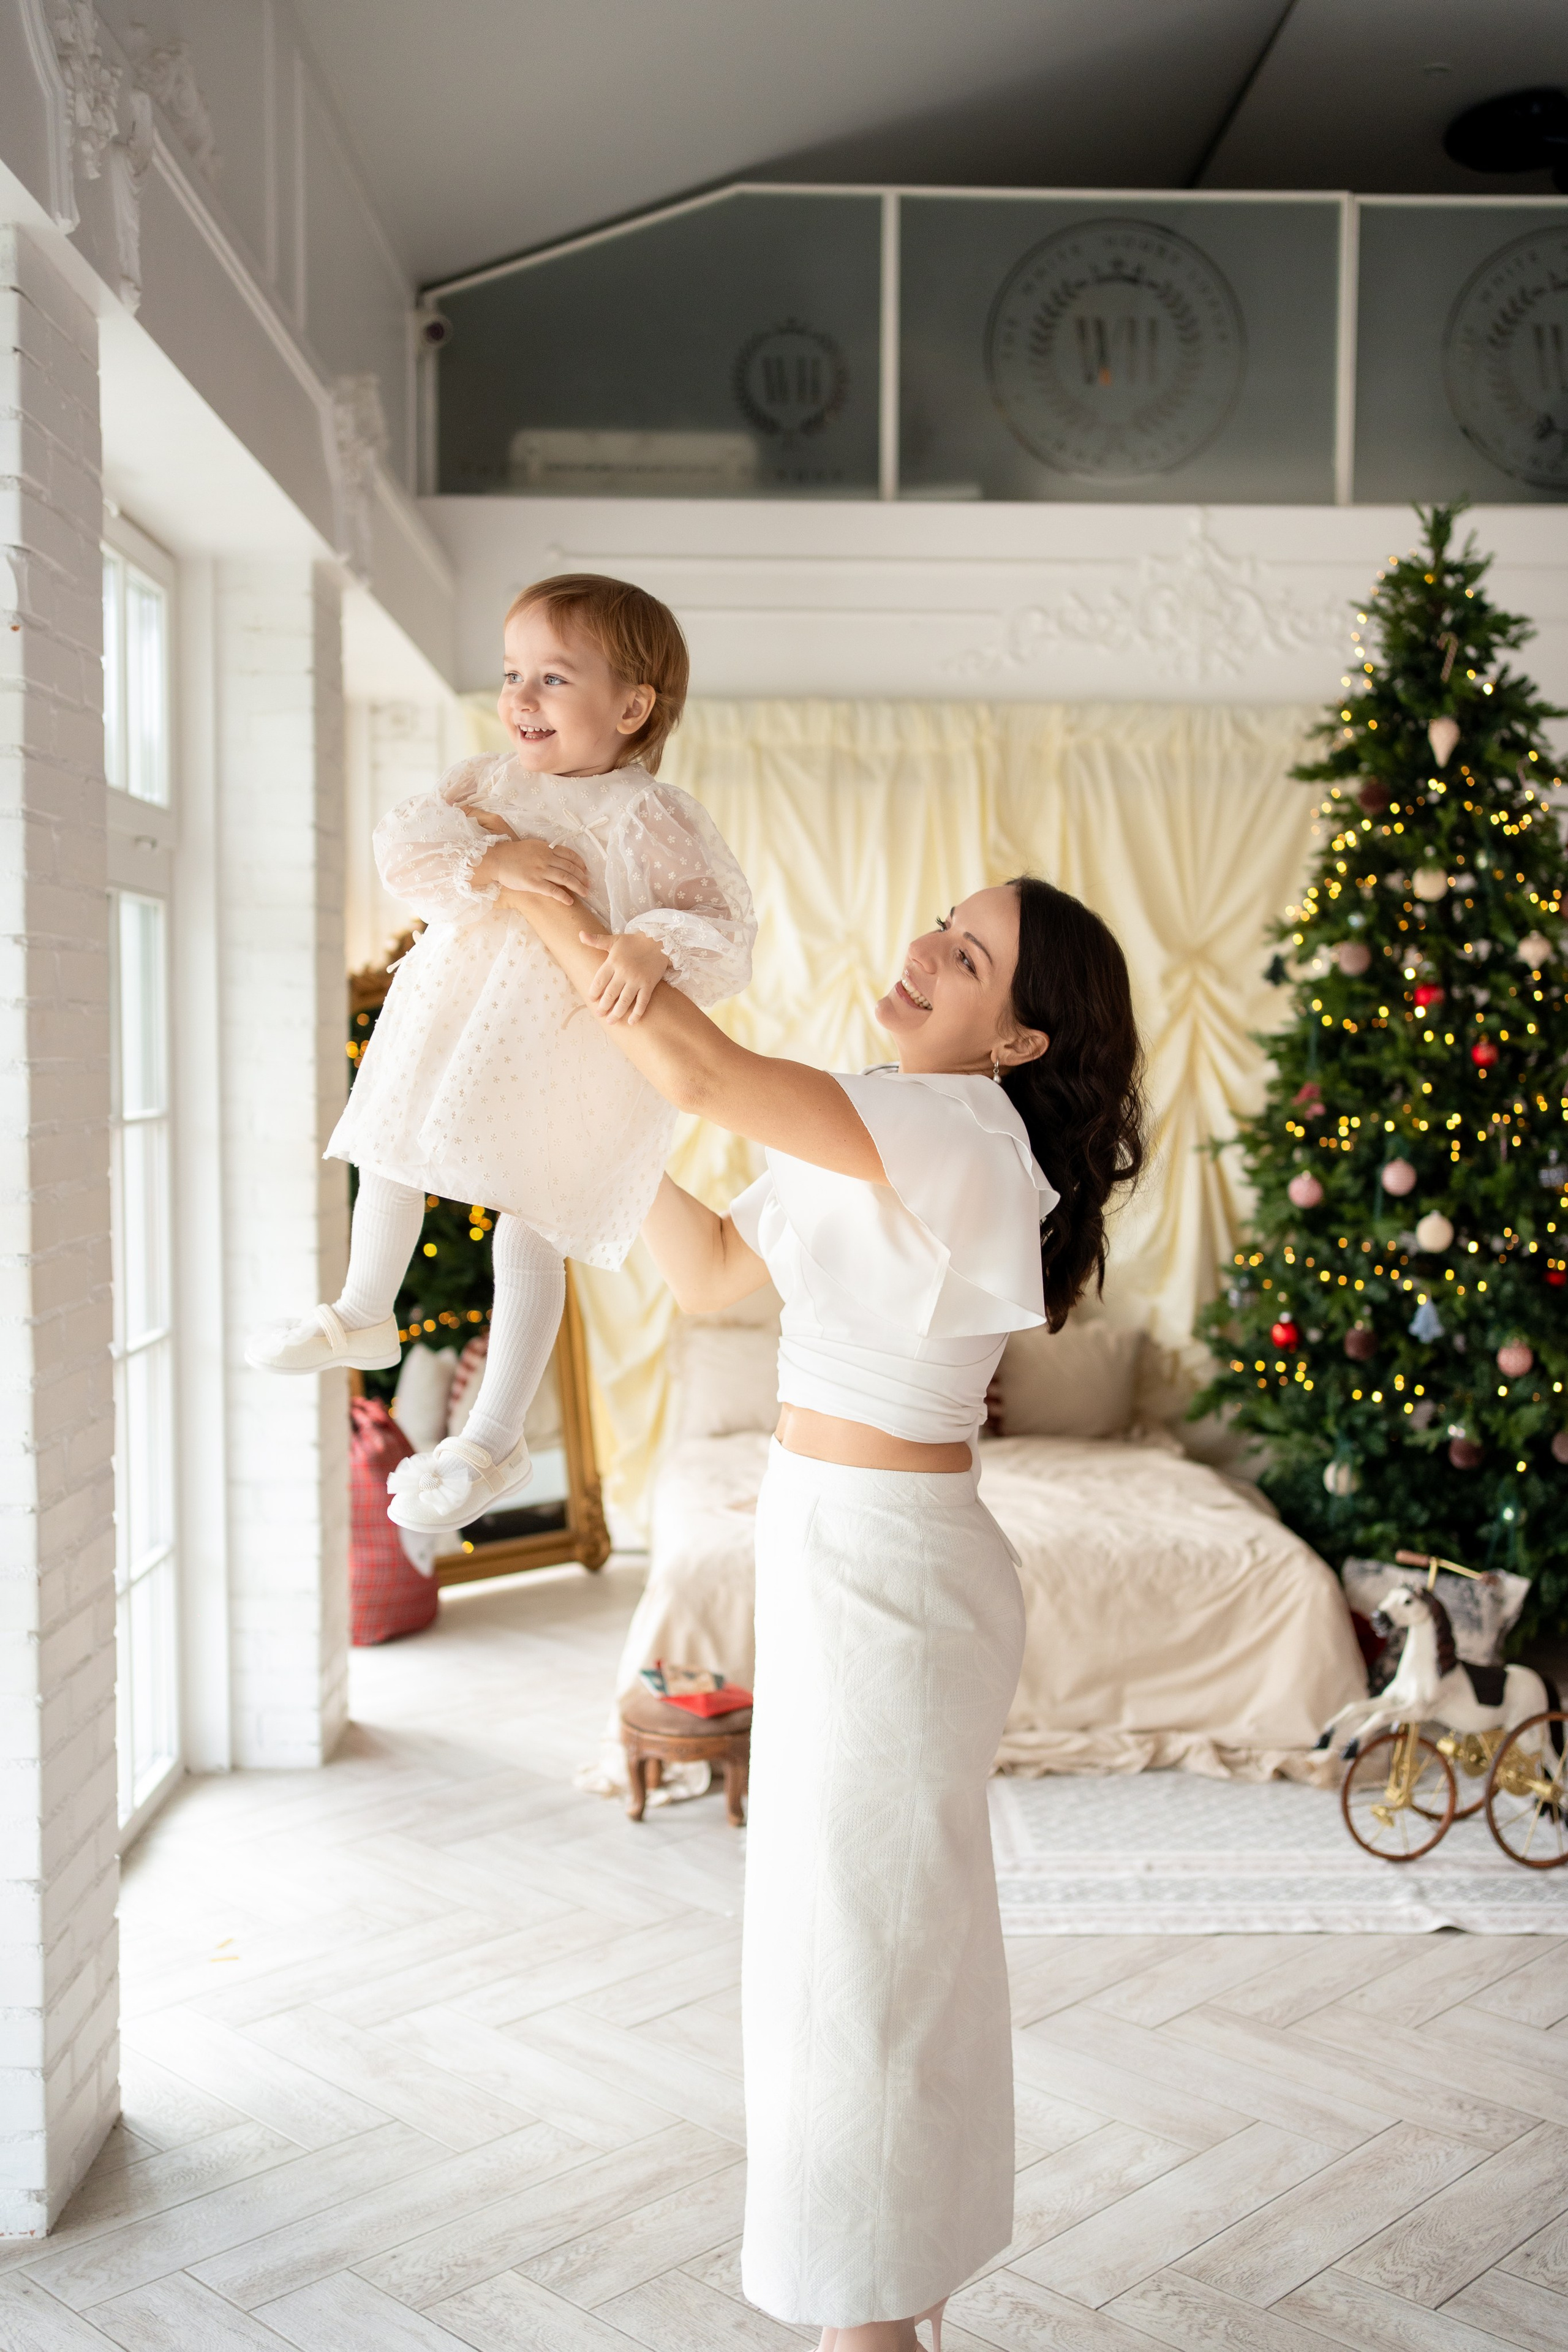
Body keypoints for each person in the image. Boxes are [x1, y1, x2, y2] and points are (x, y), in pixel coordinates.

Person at [511, 868, 1145, 2352]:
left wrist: (532, 910)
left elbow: (699, 1066)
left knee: (857, 1957)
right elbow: (722, 1272)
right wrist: (573, 1152)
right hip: (841, 1547)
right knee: (854, 1946)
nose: (925, 946)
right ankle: (888, 2311)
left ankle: (864, 2327)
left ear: (1016, 1044)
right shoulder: (885, 1116)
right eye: (943, 917)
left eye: (970, 953)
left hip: (891, 1569)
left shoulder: (954, 1130)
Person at [245, 575, 755, 1535]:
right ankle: (364, 1305)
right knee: (394, 1146)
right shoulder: (485, 784)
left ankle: (491, 1433)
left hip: (566, 1045)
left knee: (533, 1225)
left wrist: (650, 941)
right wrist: (490, 862)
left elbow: (723, 925)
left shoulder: (652, 815)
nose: (518, 698)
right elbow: (404, 841)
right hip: (454, 1016)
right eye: (512, 672)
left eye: (553, 678)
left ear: (632, 706)